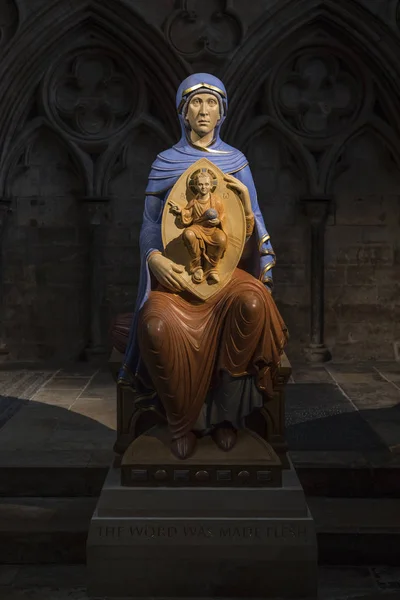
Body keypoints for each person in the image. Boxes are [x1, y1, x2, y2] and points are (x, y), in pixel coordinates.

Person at [116, 73, 288, 460]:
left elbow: (251, 219)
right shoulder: (166, 162)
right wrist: (154, 257)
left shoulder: (235, 161)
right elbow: (149, 224)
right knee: (154, 326)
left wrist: (243, 201)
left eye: (212, 103)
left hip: (223, 273)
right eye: (196, 102)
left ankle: (228, 417)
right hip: (178, 275)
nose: (204, 110)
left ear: (222, 112)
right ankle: (183, 422)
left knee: (252, 305)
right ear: (183, 111)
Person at [169, 169, 227, 284]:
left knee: (221, 239)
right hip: (197, 228)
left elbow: (222, 215)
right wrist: (180, 210)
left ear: (211, 185)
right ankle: (197, 267)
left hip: (212, 229)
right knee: (188, 234)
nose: (203, 187)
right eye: (200, 184)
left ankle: (212, 269)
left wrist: (218, 221)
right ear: (195, 186)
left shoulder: (216, 200)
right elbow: (187, 213)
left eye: (206, 184)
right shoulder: (194, 202)